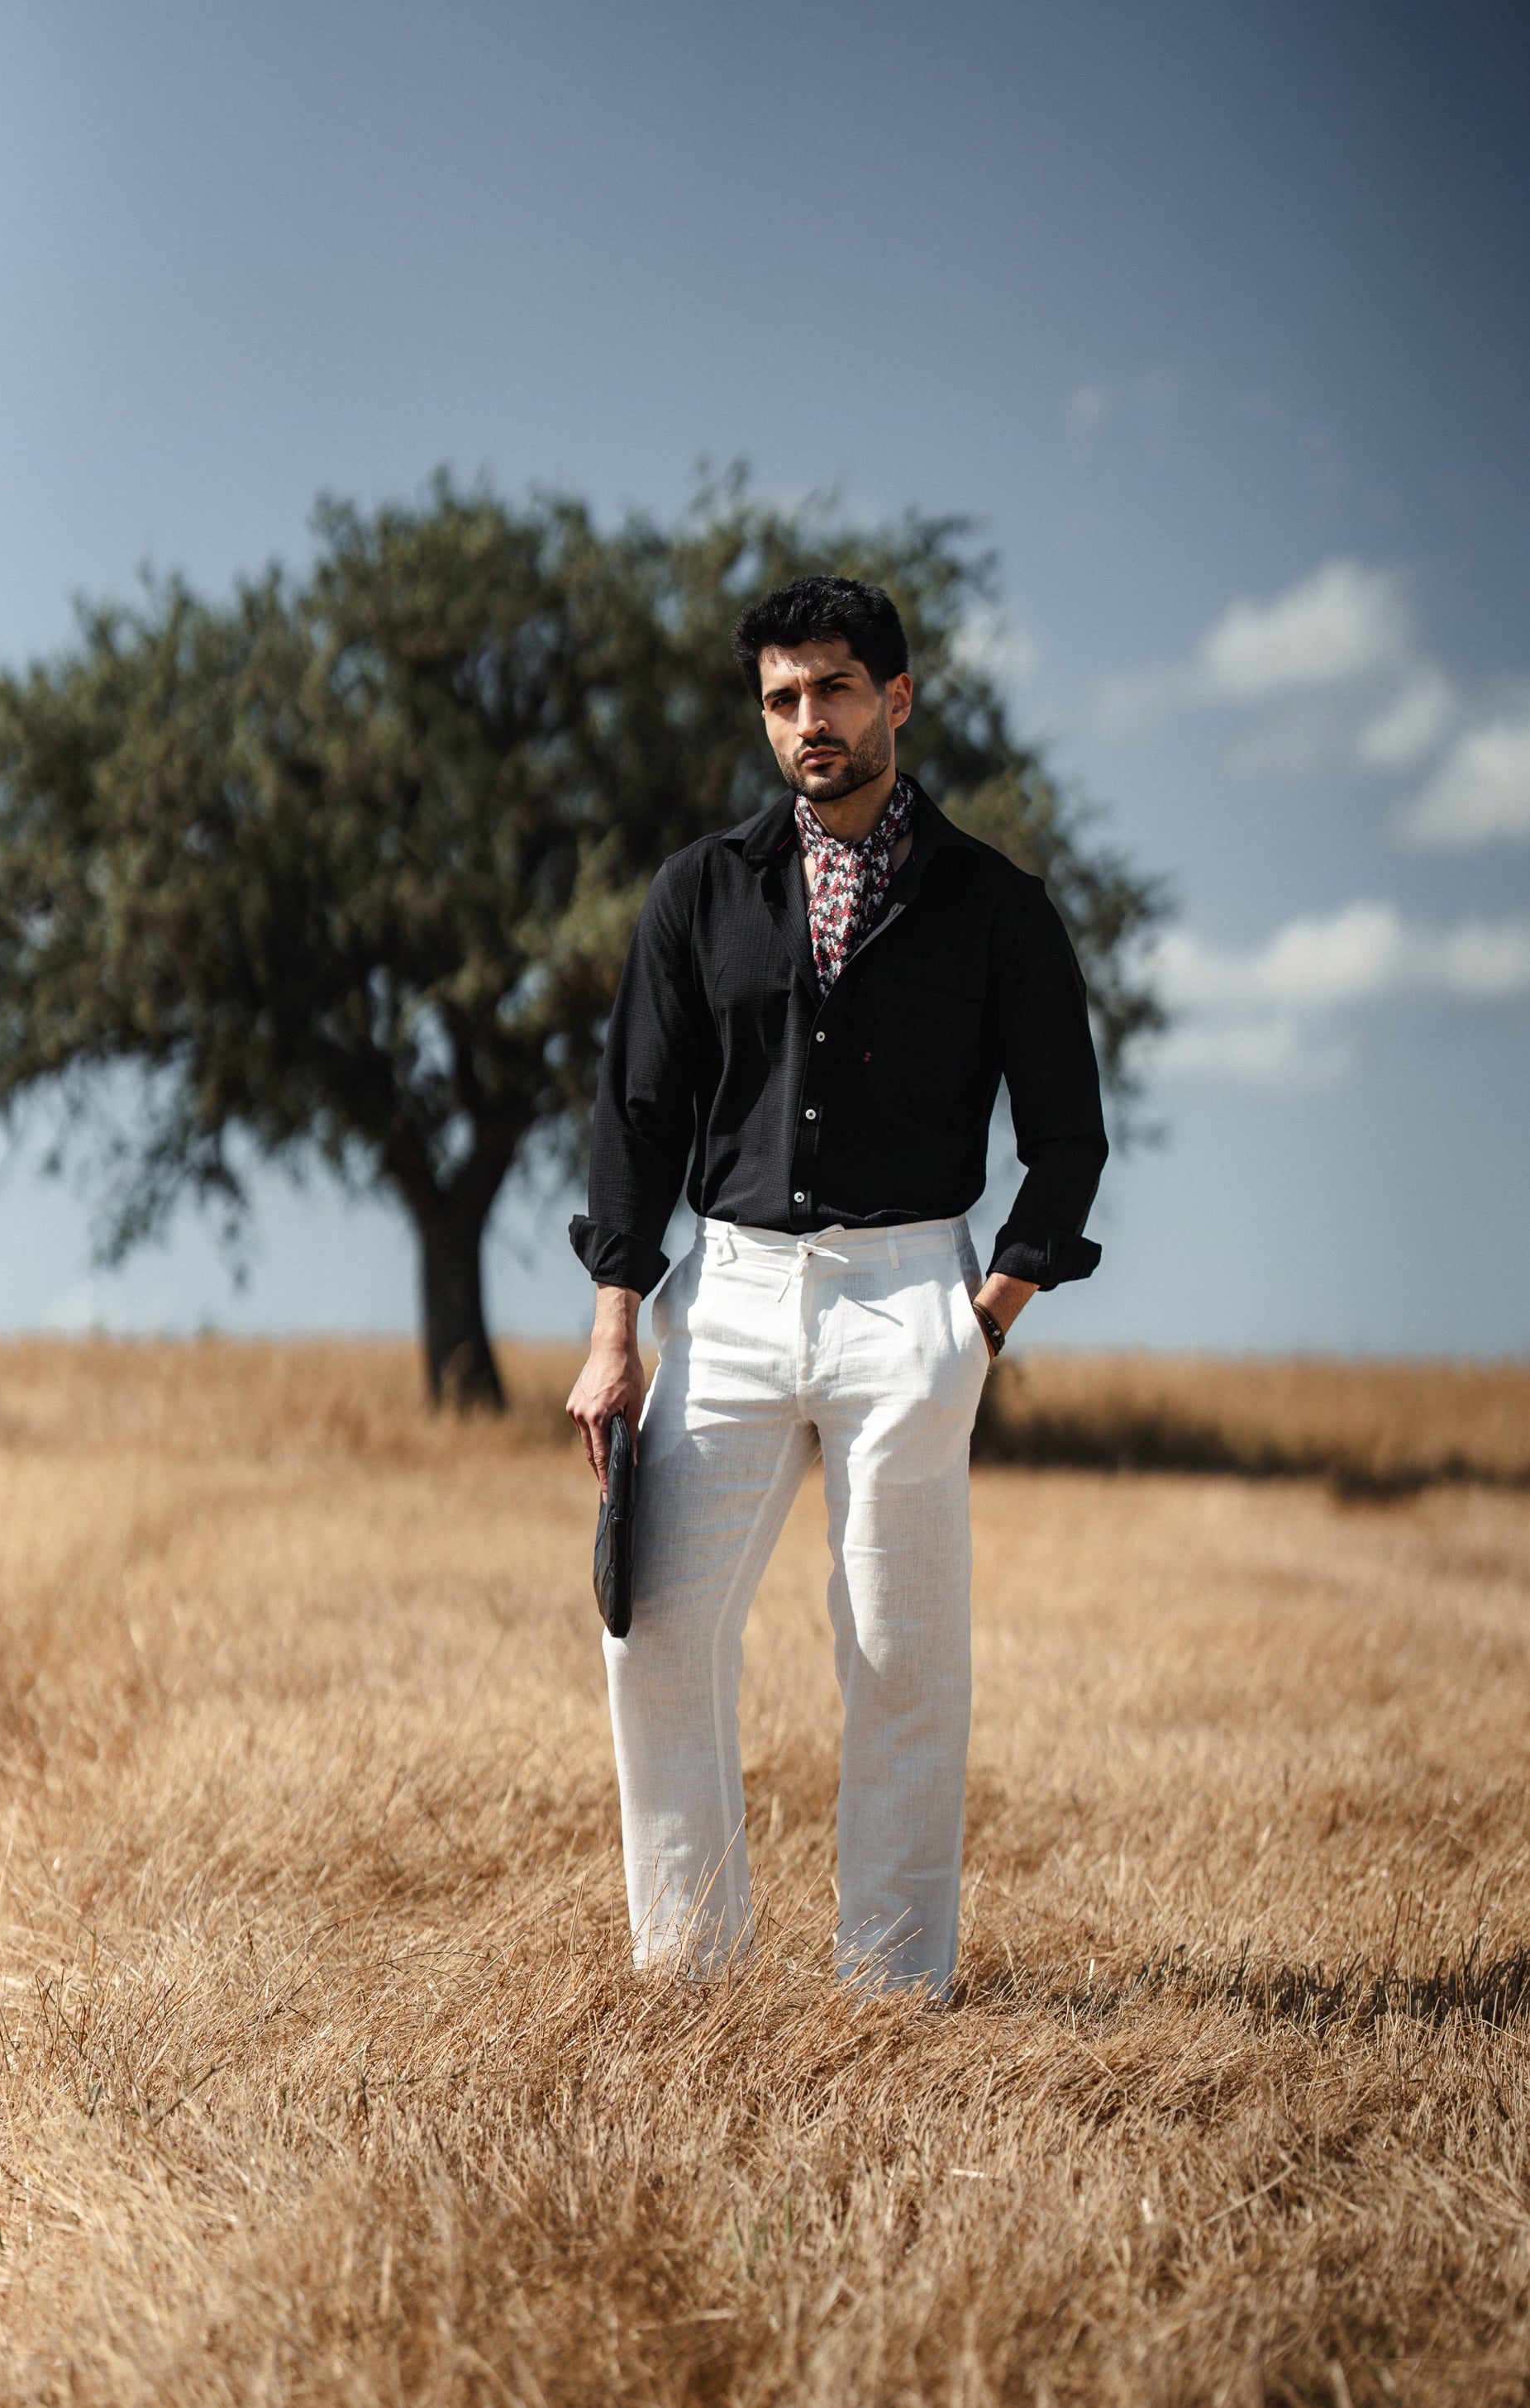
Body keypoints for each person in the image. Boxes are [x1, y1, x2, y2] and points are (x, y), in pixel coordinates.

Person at [567, 575, 1107, 1997]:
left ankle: (889, 1994)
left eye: (836, 689)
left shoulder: (997, 906)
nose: (810, 720)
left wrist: (976, 1327)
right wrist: (614, 1330)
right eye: (783, 698)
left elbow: (1066, 1140)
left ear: (899, 697)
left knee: (900, 1665)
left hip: (908, 1305)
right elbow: (633, 1114)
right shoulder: (696, 891)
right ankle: (689, 1980)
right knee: (656, 1632)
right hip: (727, 1298)